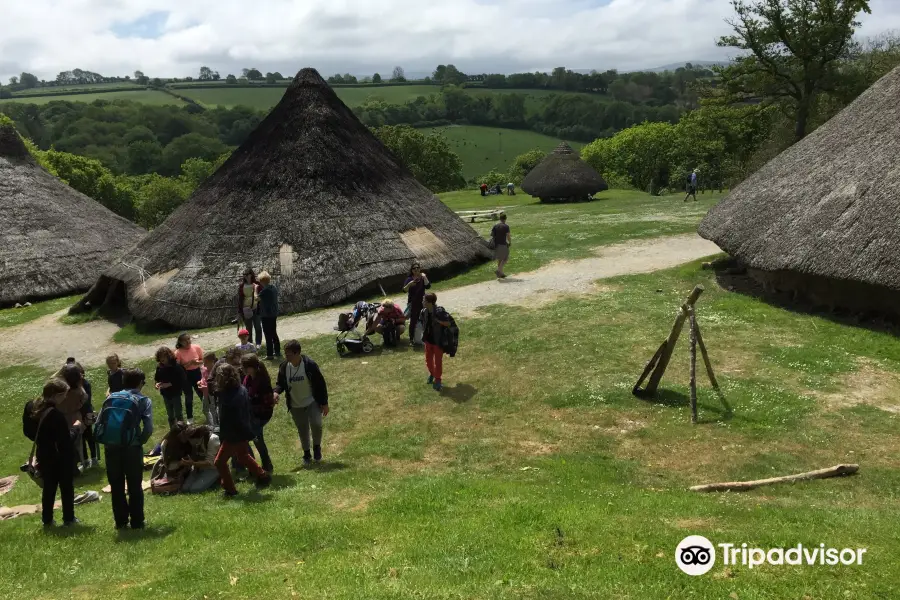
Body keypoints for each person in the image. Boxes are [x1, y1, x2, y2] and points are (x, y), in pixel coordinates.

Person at [22, 378, 83, 527]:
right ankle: (69, 518)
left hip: (44, 452)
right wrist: (76, 427)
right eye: (63, 395)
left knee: (49, 488)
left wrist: (42, 440)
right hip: (60, 456)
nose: (65, 398)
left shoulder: (31, 407)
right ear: (56, 395)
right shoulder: (55, 415)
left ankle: (47, 519)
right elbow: (66, 440)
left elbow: (28, 431)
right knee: (66, 487)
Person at [101, 368, 154, 530]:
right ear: (140, 383)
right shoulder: (143, 400)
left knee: (116, 485)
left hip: (111, 446)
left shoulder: (111, 398)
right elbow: (148, 427)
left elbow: (100, 422)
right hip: (132, 447)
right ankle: (137, 521)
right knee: (134, 485)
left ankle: (121, 521)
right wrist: (140, 440)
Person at [213, 364, 272, 497]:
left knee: (219, 462)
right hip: (241, 431)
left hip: (234, 434)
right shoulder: (240, 389)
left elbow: (233, 418)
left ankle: (230, 489)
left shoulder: (230, 396)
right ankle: (263, 476)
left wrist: (228, 435)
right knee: (243, 455)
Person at [273, 340, 329, 465]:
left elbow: (320, 384)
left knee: (316, 424)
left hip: (311, 401)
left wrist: (324, 403)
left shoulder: (309, 365)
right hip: (295, 404)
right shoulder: (284, 366)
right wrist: (276, 392)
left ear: (297, 353)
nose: (286, 357)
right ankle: (307, 454)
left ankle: (317, 448)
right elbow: (280, 384)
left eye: (289, 355)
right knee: (302, 429)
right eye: (285, 354)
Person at [242, 354, 276, 473]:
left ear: (253, 367)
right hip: (251, 415)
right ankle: (257, 466)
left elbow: (267, 404)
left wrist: (251, 407)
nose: (244, 369)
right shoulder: (248, 379)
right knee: (251, 441)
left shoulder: (262, 382)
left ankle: (264, 466)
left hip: (259, 416)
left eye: (246, 367)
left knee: (256, 441)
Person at [57, 363, 88, 472]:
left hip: (62, 418)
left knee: (65, 445)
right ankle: (81, 464)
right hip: (75, 417)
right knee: (78, 444)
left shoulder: (61, 389)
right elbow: (84, 399)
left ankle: (70, 467)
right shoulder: (79, 390)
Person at [420, 292, 452, 392]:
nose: (422, 301)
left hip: (438, 342)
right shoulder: (423, 311)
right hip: (428, 341)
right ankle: (432, 373)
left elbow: (448, 323)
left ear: (429, 302)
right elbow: (423, 323)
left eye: (424, 300)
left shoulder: (439, 311)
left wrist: (439, 321)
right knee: (428, 361)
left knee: (438, 362)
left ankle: (438, 379)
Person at [178, 424, 222, 493]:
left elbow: (210, 462)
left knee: (195, 489)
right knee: (185, 488)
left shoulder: (212, 440)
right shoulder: (194, 444)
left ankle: (217, 479)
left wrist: (192, 463)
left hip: (212, 468)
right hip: (198, 468)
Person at [174, 333, 204, 425]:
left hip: (197, 373)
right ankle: (190, 417)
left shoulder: (196, 347)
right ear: (180, 342)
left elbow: (203, 360)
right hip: (185, 375)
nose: (188, 342)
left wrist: (197, 363)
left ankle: (209, 412)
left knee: (202, 393)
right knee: (188, 396)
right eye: (185, 340)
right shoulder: (178, 352)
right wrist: (190, 363)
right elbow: (178, 368)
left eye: (189, 339)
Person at [155, 347, 186, 428]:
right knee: (170, 415)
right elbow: (157, 378)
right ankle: (173, 431)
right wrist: (157, 384)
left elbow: (182, 379)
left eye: (163, 356)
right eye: (160, 357)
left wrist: (170, 384)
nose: (162, 359)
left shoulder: (176, 366)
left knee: (178, 414)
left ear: (169, 356)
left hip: (175, 393)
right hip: (165, 394)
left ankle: (182, 430)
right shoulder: (160, 367)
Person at [402, 263, 431, 346]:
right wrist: (410, 284)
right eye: (414, 268)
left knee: (425, 319)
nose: (416, 269)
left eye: (418, 268)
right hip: (413, 303)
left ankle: (425, 337)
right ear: (412, 270)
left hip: (423, 302)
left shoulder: (422, 277)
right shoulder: (409, 279)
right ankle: (411, 339)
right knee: (413, 321)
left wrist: (425, 277)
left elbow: (428, 286)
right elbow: (404, 290)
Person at [257, 271, 281, 361]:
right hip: (273, 314)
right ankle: (277, 351)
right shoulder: (273, 288)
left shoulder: (265, 290)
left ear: (262, 281)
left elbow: (256, 298)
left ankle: (270, 354)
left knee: (268, 335)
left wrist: (255, 289)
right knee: (274, 332)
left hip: (266, 315)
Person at [238, 269, 262, 347]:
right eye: (244, 274)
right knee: (248, 328)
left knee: (257, 326)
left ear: (251, 274)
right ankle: (250, 344)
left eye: (247, 274)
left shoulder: (257, 284)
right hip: (246, 309)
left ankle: (258, 343)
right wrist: (240, 311)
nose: (245, 276)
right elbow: (240, 299)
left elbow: (261, 295)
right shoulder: (242, 286)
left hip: (256, 308)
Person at [199, 352, 219, 428]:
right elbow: (203, 378)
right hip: (205, 393)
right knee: (205, 409)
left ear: (213, 361)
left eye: (206, 363)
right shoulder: (204, 369)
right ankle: (210, 424)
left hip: (212, 394)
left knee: (213, 409)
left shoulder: (216, 371)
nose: (204, 365)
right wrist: (200, 382)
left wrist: (206, 387)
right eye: (203, 363)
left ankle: (215, 426)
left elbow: (216, 384)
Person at [490, 213, 511, 279]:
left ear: (500, 218)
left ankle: (501, 274)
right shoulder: (506, 226)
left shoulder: (495, 226)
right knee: (505, 258)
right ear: (505, 219)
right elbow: (508, 236)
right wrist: (510, 242)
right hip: (503, 244)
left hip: (496, 244)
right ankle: (498, 271)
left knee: (500, 259)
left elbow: (492, 234)